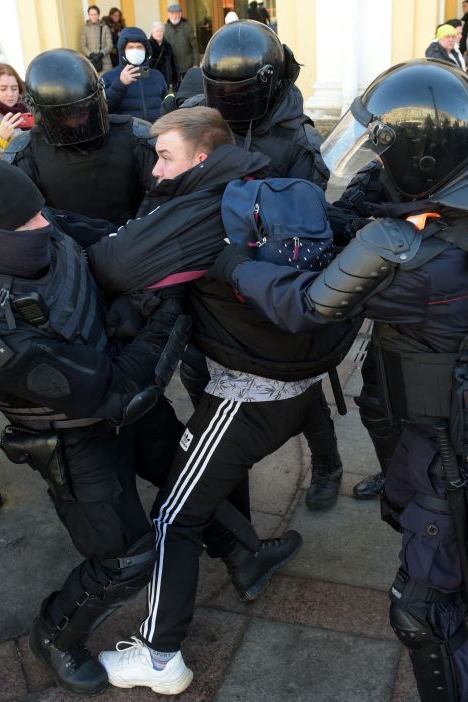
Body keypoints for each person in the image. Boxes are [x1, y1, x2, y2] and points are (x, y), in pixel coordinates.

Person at [206, 59, 468, 702]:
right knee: (444, 541)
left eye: (389, 150)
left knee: (417, 610)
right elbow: (375, 195)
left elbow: (307, 305)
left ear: (424, 159)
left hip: (450, 449)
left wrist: (232, 265)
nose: (378, 161)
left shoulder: (416, 258)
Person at [0, 159, 269, 695]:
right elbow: (115, 391)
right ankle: (57, 635)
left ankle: (245, 556)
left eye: (37, 212)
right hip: (77, 437)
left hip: (120, 397)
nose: (42, 225)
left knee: (189, 482)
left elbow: (109, 246)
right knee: (125, 557)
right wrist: (172, 305)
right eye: (24, 225)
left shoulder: (38, 229)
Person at [92, 108, 352, 694]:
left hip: (247, 395)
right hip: (295, 383)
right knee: (198, 493)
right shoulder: (259, 188)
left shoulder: (204, 213)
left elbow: (114, 265)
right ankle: (249, 555)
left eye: (165, 156)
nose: (155, 168)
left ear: (203, 158)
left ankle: (161, 659)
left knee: (172, 518)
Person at [185, 19, 343, 510]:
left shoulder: (299, 144)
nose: (230, 101)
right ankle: (228, 483)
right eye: (222, 91)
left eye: (240, 92)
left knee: (295, 379)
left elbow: (307, 232)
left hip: (270, 277)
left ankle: (328, 462)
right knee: (203, 371)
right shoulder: (200, 119)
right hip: (209, 273)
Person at [5, 49, 156, 227]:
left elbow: (159, 199)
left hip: (131, 241)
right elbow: (24, 222)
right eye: (66, 115)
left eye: (83, 110)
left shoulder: (135, 136)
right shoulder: (25, 154)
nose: (77, 120)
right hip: (66, 248)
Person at [103, 27, 168, 122]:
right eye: (130, 47)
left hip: (155, 132)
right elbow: (104, 110)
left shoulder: (157, 76)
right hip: (126, 134)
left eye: (139, 47)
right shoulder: (108, 78)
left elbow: (167, 106)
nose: (135, 51)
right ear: (123, 51)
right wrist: (120, 84)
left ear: (146, 50)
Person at [165, 3, 198, 88]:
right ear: (168, 14)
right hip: (172, 69)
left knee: (189, 89)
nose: (174, 16)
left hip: (187, 67)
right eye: (172, 13)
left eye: (177, 13)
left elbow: (195, 47)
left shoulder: (187, 27)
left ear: (180, 14)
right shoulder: (164, 29)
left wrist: (196, 64)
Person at [81, 5, 113, 76]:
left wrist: (101, 54)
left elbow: (110, 45)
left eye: (95, 14)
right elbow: (83, 45)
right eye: (91, 14)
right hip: (92, 62)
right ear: (89, 15)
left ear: (98, 15)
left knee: (106, 82)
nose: (93, 16)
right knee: (94, 83)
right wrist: (90, 54)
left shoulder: (105, 27)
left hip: (105, 63)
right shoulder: (85, 28)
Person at [148, 21, 177, 90]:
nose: (159, 33)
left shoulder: (167, 46)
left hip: (166, 81)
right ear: (152, 33)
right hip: (152, 80)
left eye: (161, 31)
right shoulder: (147, 45)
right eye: (156, 31)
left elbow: (172, 64)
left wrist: (174, 81)